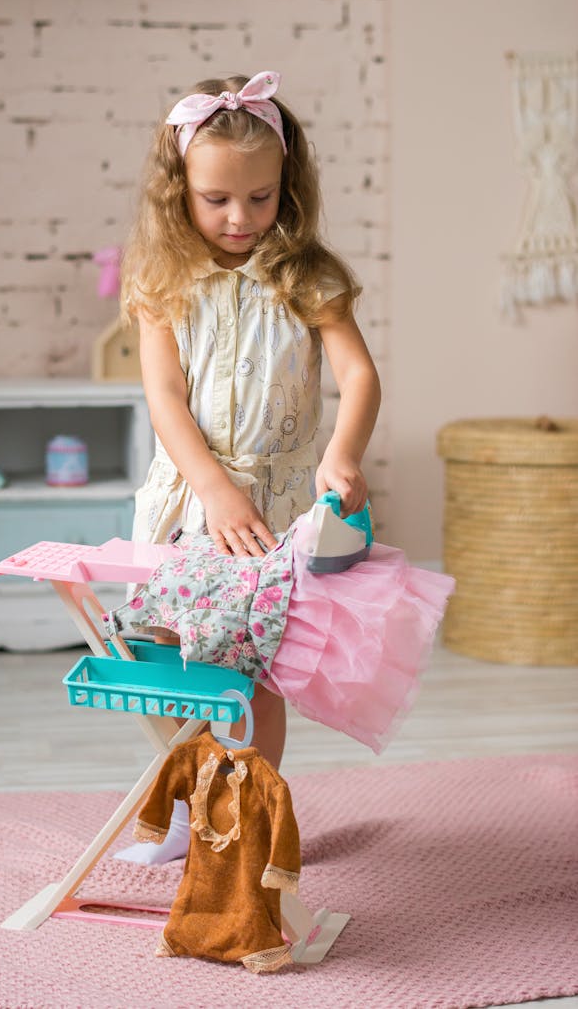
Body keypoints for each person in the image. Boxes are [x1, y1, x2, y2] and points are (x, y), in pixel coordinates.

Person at [115, 70, 381, 864]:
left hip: (275, 506)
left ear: (285, 188)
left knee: (254, 670)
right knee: (167, 656)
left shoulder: (308, 277)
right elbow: (164, 399)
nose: (240, 218)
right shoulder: (163, 282)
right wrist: (212, 489)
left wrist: (344, 451)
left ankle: (248, 817)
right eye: (217, 199)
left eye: (261, 198)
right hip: (190, 499)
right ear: (179, 192)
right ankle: (197, 799)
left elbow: (360, 376)